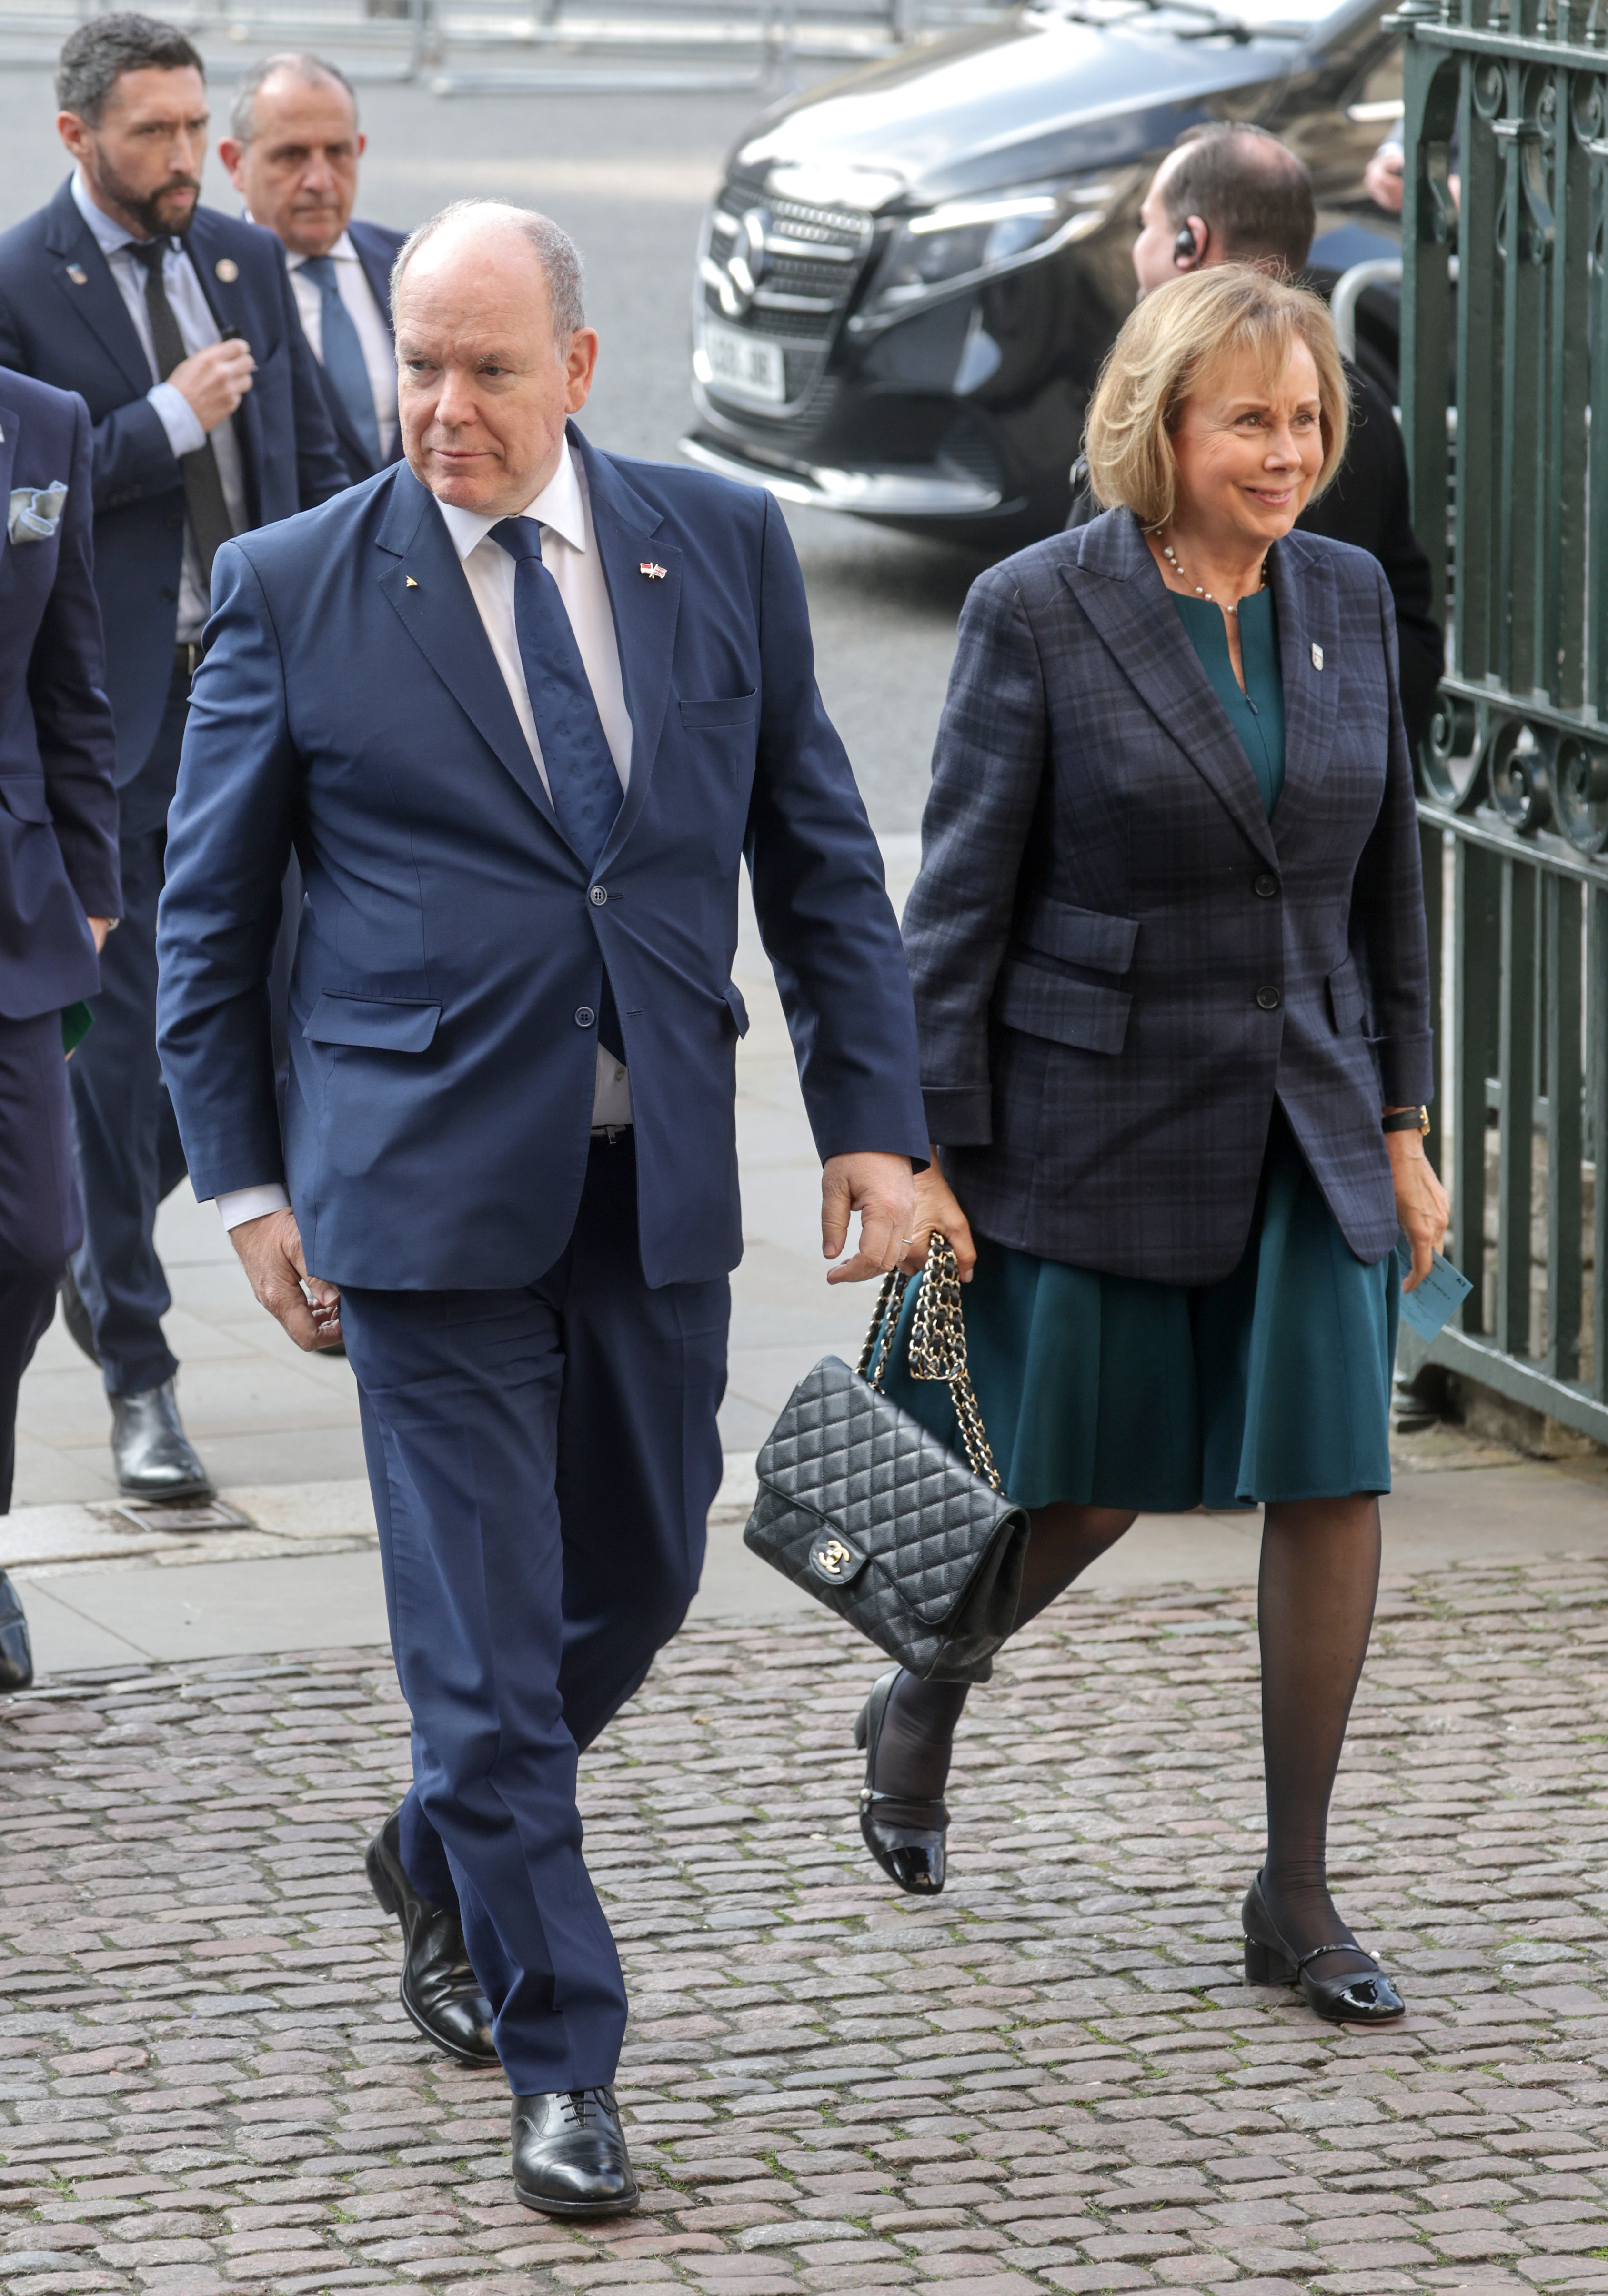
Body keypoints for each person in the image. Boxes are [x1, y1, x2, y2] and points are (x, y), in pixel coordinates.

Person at [156, 200, 926, 2211]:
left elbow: (821, 859)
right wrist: (245, 1184)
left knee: (651, 1569)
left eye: (487, 368)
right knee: (486, 1654)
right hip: (411, 1201)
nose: (443, 408)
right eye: (416, 364)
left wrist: (873, 1121)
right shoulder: (295, 583)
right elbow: (207, 920)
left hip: (652, 1169)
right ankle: (558, 2051)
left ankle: (436, 1837)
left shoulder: (717, 547)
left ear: (579, 368)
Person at [863, 268, 1449, 2031]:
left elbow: (1381, 889)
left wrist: (1406, 1125)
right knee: (1093, 1475)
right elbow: (951, 907)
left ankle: (1290, 1887)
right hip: (1090, 1107)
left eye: (1306, 419)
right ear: (1163, 428)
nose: (1287, 452)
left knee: (1330, 1471)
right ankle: (923, 1690)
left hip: (1307, 1106)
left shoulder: (1338, 595)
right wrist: (924, 1156)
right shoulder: (1037, 609)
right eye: (1248, 421)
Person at [0, 14, 346, 1503]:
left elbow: (318, 458)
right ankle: (140, 1371)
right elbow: (37, 485)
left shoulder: (244, 260)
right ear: (77, 137)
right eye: (149, 132)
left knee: (270, 1024)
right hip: (112, 729)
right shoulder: (20, 282)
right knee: (127, 1058)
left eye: (196, 127)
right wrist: (155, 421)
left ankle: (100, 1240)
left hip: (253, 711)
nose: (183, 159)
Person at [1070, 122, 1443, 760]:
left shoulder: (1330, 440)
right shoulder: (1364, 404)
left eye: (1147, 225)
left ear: (1192, 240)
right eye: (1251, 421)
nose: (1288, 458)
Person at [0, 365, 121, 1688]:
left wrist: (94, 884)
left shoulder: (45, 425)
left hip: (17, 905)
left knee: (35, 1239)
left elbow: (70, 672)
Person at [219, 52, 405, 486]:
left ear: (358, 150)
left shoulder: (413, 262)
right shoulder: (204, 288)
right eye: (292, 155)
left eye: (338, 152)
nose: (320, 180)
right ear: (235, 164)